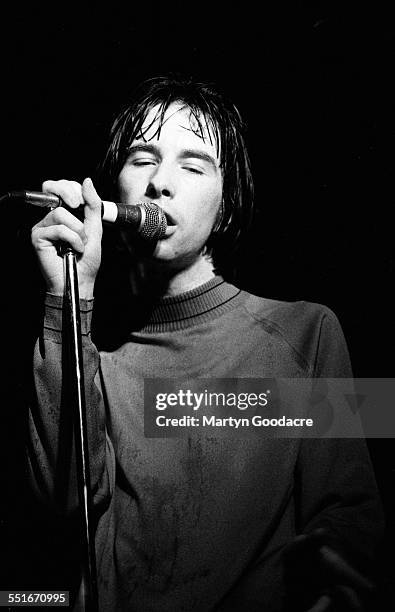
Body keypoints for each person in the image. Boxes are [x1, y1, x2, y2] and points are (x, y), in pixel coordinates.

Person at [28, 75, 383, 611]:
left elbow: (354, 512)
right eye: (142, 161)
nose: (161, 183)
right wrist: (64, 299)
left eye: (193, 166)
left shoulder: (308, 332)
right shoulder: (90, 353)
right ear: (111, 188)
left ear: (227, 205)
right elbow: (58, 519)